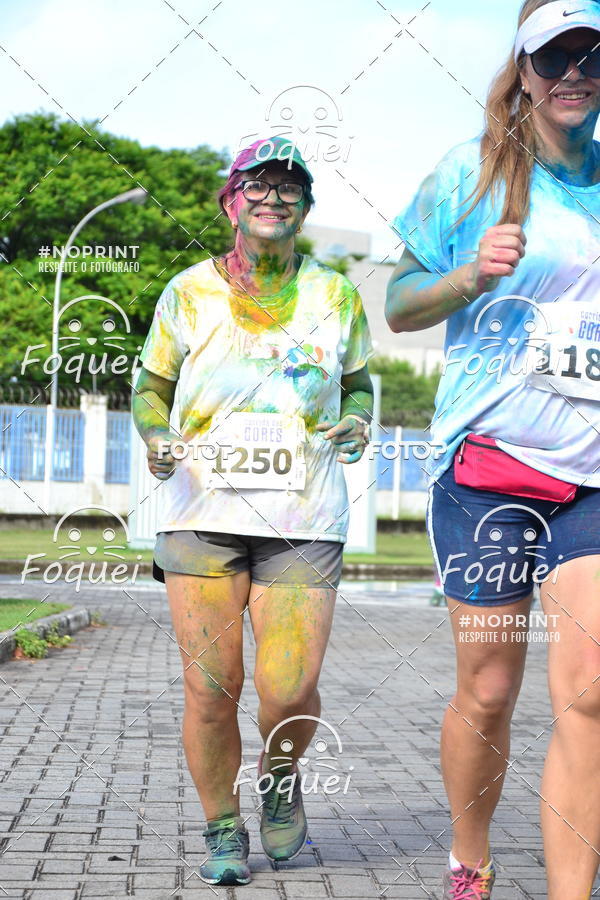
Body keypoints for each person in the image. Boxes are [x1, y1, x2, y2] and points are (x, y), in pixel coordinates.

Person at [386, 2, 600, 897]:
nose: (575, 73)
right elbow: (399, 304)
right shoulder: (471, 173)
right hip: (490, 469)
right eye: (554, 58)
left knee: (590, 688)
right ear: (522, 70)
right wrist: (470, 274)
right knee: (488, 688)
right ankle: (469, 859)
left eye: (592, 54)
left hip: (592, 477)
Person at [132, 137, 374, 886]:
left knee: (288, 689)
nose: (273, 198)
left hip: (303, 517)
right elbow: (150, 390)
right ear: (230, 203)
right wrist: (156, 435)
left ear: (305, 205)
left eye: (288, 187)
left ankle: (280, 772)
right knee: (212, 688)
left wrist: (360, 419)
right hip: (200, 513)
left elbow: (359, 384)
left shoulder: (336, 295)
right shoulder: (187, 292)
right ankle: (221, 828)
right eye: (257, 186)